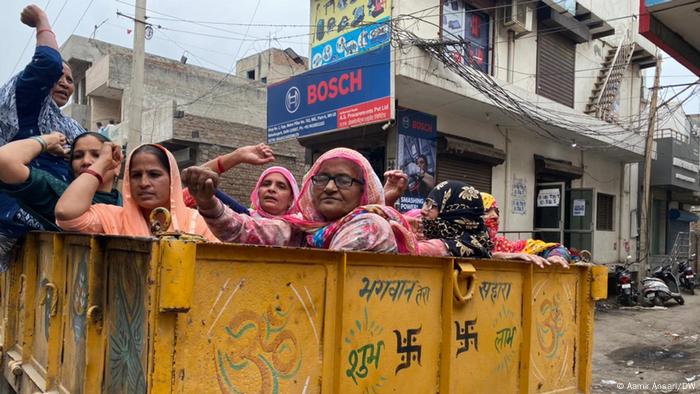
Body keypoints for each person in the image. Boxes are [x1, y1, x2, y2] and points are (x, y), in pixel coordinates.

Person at [183, 147, 416, 253]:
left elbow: (330, 272)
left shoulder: (369, 226)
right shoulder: (305, 229)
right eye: (323, 178)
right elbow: (246, 229)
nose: (330, 187)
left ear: (364, 192)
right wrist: (207, 202)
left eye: (344, 180)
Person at [0, 4, 86, 267]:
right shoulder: (22, 99)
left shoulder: (72, 126)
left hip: (54, 238)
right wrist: (41, 21)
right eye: (59, 77)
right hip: (10, 228)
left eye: (70, 80)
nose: (64, 82)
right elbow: (48, 62)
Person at [55, 143, 217, 241]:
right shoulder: (112, 218)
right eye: (136, 175)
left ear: (172, 180)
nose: (144, 183)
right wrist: (102, 162)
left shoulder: (199, 224)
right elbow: (65, 212)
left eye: (154, 175)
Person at [0, 131, 121, 231]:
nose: (86, 161)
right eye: (78, 156)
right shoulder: (56, 192)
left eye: (97, 155)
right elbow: (5, 160)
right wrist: (49, 141)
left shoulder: (130, 203)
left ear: (117, 166)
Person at [182, 144, 278, 215]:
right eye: (266, 184)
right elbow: (196, 185)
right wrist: (237, 156)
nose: (271, 189)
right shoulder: (245, 222)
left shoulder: (292, 230)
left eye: (281, 186)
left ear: (292, 198)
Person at [481, 192, 570, 268]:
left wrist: (556, 256)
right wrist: (500, 256)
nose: (495, 216)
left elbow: (555, 248)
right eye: (486, 211)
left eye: (497, 212)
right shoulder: (468, 247)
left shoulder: (504, 246)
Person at [414, 181, 493, 257]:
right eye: (426, 203)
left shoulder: (440, 247)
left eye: (432, 205)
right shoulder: (479, 244)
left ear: (455, 212)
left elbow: (406, 250)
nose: (423, 211)